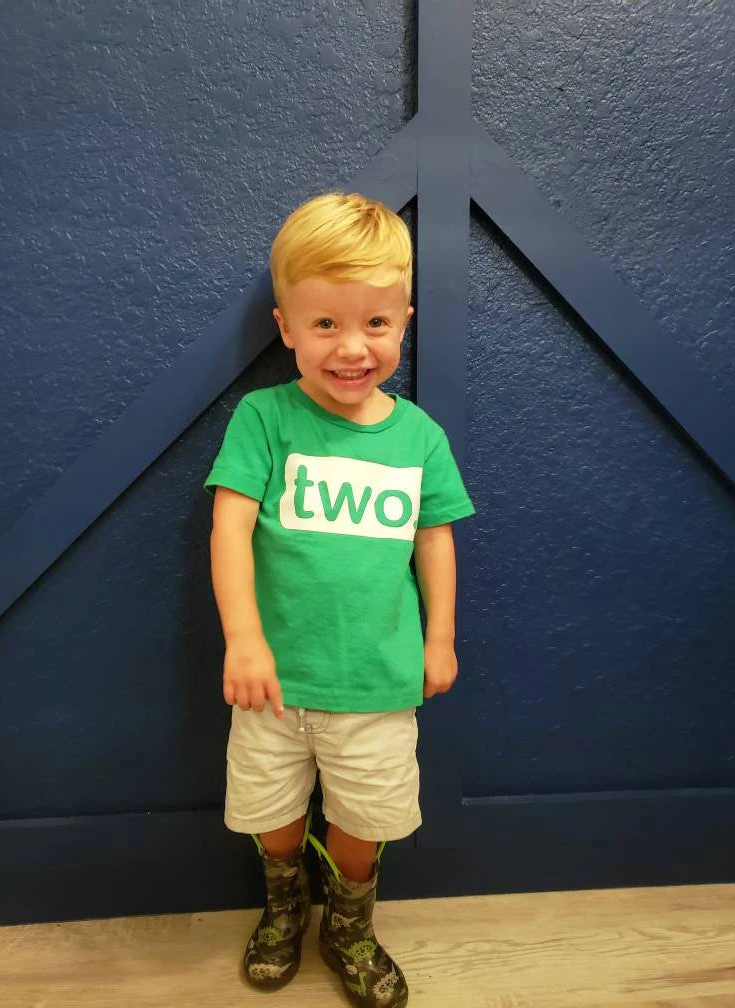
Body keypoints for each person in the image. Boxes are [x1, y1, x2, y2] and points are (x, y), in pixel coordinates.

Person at [204, 192, 475, 1008]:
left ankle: (349, 924)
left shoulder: (420, 437)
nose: (352, 348)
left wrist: (440, 637)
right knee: (271, 810)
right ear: (285, 327)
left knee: (368, 817)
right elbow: (228, 528)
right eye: (325, 324)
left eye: (376, 324)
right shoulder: (264, 419)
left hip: (378, 684)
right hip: (274, 682)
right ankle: (284, 904)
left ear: (405, 322)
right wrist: (243, 638)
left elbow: (435, 539)